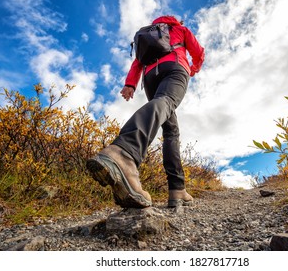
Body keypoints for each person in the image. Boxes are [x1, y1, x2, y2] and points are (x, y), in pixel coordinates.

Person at [86, 15, 205, 208]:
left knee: (171, 131)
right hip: (175, 67)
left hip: (150, 78)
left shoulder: (148, 35)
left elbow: (137, 63)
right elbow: (198, 52)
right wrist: (193, 68)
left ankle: (177, 188)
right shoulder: (179, 29)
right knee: (166, 102)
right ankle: (124, 152)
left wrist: (130, 84)